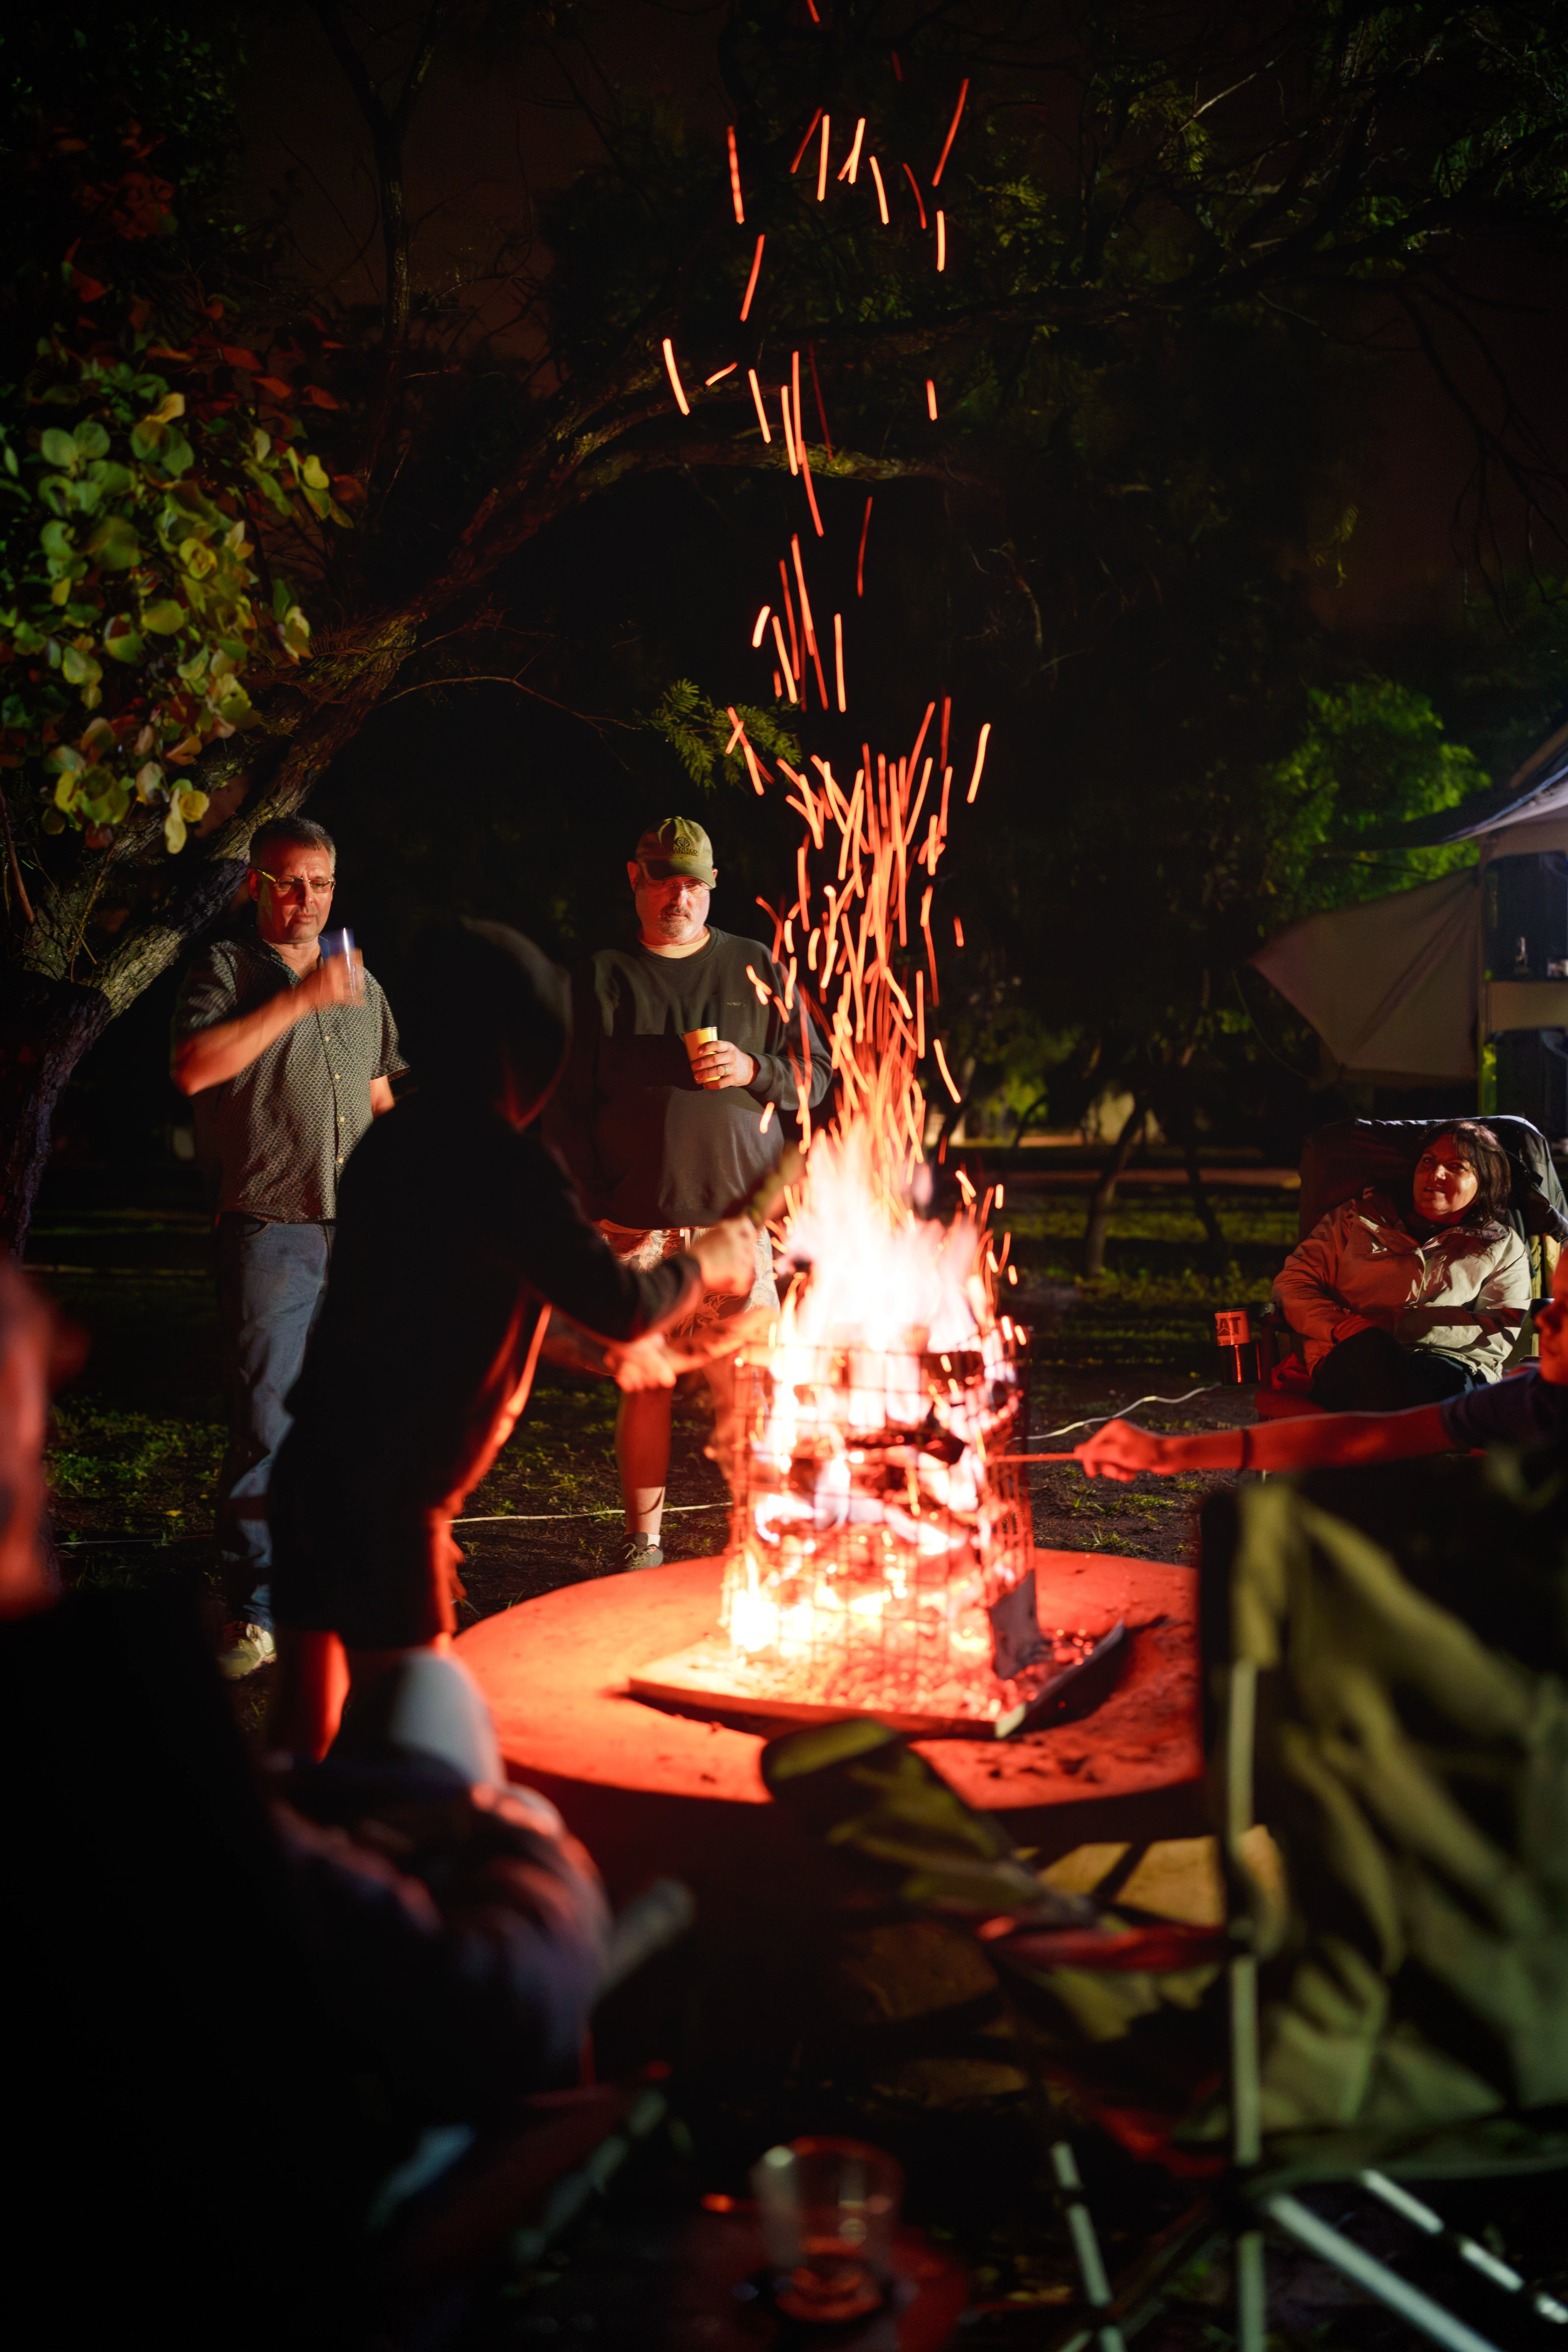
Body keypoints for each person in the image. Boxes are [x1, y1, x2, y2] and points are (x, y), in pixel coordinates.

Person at [0, 1256, 611, 2350]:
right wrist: (525, 1843)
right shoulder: (81, 1720)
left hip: (315, 1859)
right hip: (346, 2219)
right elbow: (488, 1998)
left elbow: (254, 1850)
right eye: (34, 1448)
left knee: (423, 1689)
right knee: (445, 1715)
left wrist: (314, 1801)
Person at [268, 918, 758, 1756]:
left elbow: (450, 1293)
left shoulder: (400, 1140)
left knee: (305, 1734)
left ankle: (289, 1861)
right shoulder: (504, 1160)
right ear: (521, 1043)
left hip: (316, 1470)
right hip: (385, 1499)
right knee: (412, 1750)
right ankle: (373, 1870)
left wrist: (581, 1344)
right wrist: (706, 1260)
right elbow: (625, 1302)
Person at [546, 815, 833, 1568]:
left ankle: (764, 1537)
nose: (680, 895)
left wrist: (754, 1071)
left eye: (694, 882)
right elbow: (566, 1106)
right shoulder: (600, 976)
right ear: (635, 880)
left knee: (752, 1392)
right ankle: (644, 1543)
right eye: (665, 879)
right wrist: (596, 1208)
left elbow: (819, 1075)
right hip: (635, 1228)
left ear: (711, 888)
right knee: (646, 1390)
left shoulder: (756, 965)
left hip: (735, 1233)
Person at [172, 814, 404, 1678]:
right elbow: (194, 1067)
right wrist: (303, 997)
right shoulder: (227, 969)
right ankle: (256, 1610)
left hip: (362, 1236)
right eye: (287, 882)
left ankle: (339, 1590)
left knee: (359, 1418)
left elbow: (380, 1096)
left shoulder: (364, 986)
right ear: (255, 886)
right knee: (269, 1422)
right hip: (272, 1230)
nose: (306, 897)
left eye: (320, 882)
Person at [1076, 1219, 1568, 1484]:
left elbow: (1497, 1330)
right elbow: (1358, 1439)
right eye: (1555, 1298)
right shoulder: (1530, 1400)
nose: (1544, 1317)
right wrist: (1168, 1451)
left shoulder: (1496, 1241)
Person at [1269, 1118, 1529, 1411]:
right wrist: (1342, 1327)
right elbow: (1293, 1284)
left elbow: (1499, 1329)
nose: (1435, 1173)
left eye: (1456, 1166)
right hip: (1351, 1355)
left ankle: (1383, 1443)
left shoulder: (1501, 1244)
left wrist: (1402, 1325)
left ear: (1484, 1182)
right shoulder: (1356, 1220)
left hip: (1450, 1365)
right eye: (1428, 1161)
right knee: (1371, 1361)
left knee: (1431, 1383)